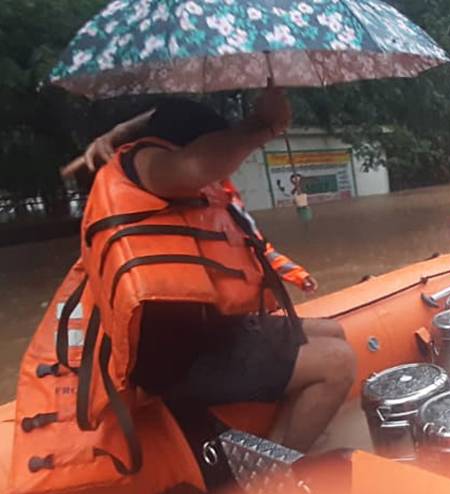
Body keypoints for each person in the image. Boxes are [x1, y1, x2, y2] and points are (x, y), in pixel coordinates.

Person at [24, 90, 353, 469]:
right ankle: (278, 469)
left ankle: (277, 436)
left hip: (211, 335)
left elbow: (165, 122)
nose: (222, 169)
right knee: (338, 363)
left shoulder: (147, 158)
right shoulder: (152, 168)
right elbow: (194, 166)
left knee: (335, 333)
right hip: (178, 362)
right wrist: (264, 127)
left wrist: (117, 130)